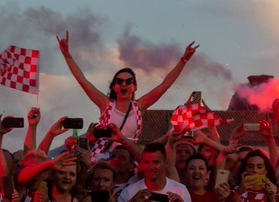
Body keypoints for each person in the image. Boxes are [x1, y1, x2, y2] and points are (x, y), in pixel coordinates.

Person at [57, 30, 198, 159]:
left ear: (134, 86)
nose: (123, 84)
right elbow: (82, 81)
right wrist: (67, 55)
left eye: (128, 81)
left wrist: (183, 60)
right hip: (104, 158)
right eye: (119, 81)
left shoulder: (139, 106)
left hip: (130, 158)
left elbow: (165, 84)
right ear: (114, 86)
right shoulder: (106, 104)